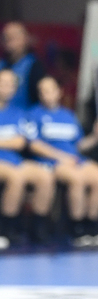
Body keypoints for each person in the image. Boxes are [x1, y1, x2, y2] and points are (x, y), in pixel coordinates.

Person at [28, 77, 98, 229]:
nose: (47, 94)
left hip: (75, 159)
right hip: (52, 162)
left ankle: (92, 224)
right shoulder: (34, 114)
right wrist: (62, 157)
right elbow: (34, 145)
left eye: (51, 90)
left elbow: (79, 145)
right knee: (77, 179)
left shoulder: (68, 116)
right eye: (43, 91)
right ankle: (77, 226)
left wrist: (96, 135)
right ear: (39, 95)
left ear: (59, 92)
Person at [0, 68, 54, 244]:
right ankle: (6, 229)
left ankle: (38, 228)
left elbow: (21, 142)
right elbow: (15, 141)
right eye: (3, 82)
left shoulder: (18, 113)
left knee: (45, 176)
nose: (6, 87)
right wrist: (11, 141)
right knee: (16, 177)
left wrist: (11, 142)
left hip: (15, 160)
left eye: (10, 84)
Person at [0, 22, 46, 110]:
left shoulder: (34, 66)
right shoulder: (1, 64)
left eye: (13, 38)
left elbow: (41, 98)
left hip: (25, 118)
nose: (9, 42)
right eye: (6, 38)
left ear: (24, 40)